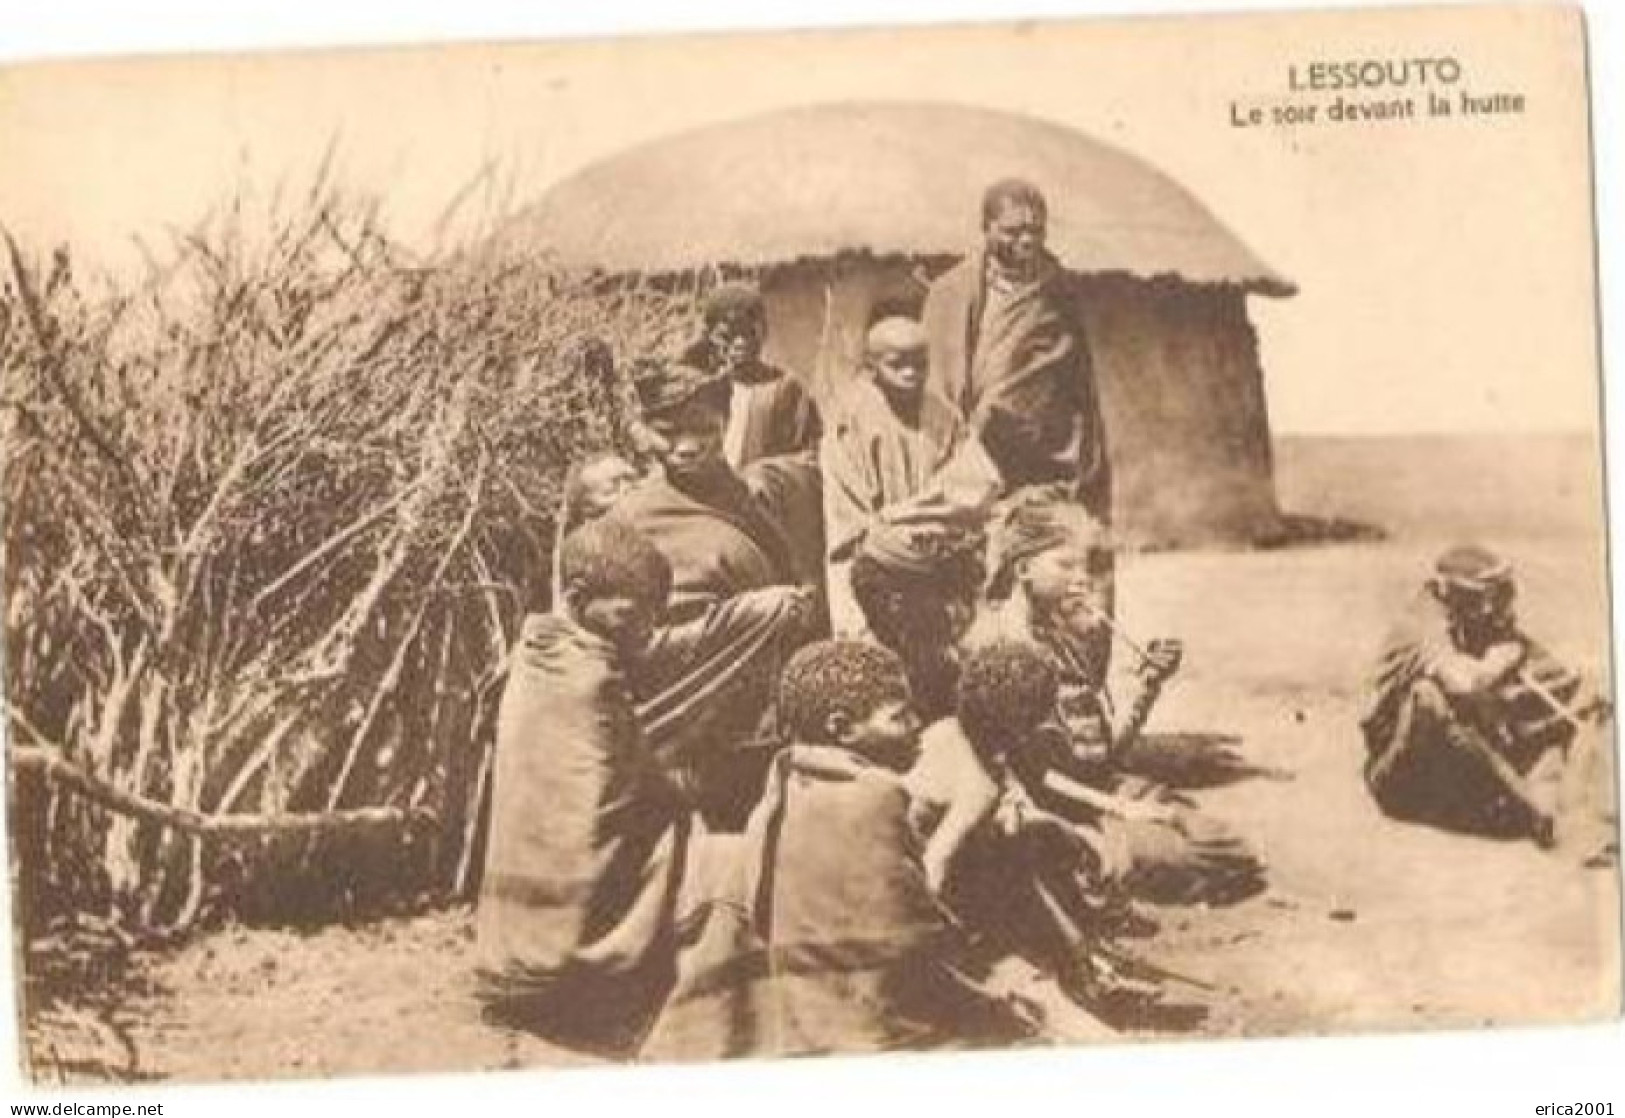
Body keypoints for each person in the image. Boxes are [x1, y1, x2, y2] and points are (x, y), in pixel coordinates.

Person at [641, 640, 1037, 1060]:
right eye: (899, 716)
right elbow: (912, 939)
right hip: (864, 1023)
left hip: (797, 1000)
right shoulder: (876, 795)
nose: (916, 724)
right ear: (842, 727)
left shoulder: (785, 780)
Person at [974, 491, 1264, 907]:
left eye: (1085, 565)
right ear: (1022, 569)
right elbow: (1034, 774)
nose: (1082, 578)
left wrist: (1148, 686)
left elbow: (1104, 752)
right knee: (1192, 859)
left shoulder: (1064, 637)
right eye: (1066, 565)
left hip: (1098, 790)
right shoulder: (1004, 647)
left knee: (1224, 846)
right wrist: (1119, 807)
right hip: (1051, 808)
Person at [475, 518, 689, 1056]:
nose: (648, 627)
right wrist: (675, 792)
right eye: (635, 612)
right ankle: (594, 970)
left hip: (507, 948)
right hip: (563, 942)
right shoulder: (592, 680)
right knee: (680, 832)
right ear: (578, 597)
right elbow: (618, 786)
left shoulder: (536, 652)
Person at [907, 640, 1167, 1018]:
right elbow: (936, 862)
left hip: (925, 860)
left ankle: (1083, 963)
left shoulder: (946, 730)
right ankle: (1079, 969)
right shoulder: (979, 786)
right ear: (1023, 723)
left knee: (1026, 847)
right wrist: (931, 945)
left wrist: (1110, 808)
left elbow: (1033, 782)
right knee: (1021, 864)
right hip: (924, 883)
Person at [612, 359, 820, 827]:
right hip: (685, 730)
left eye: (702, 429)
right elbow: (631, 642)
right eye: (667, 431)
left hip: (762, 719)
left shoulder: (745, 497)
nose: (686, 446)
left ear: (726, 423)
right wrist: (747, 615)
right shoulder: (632, 520)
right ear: (643, 432)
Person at [1361, 544, 1610, 848]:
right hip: (1400, 778)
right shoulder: (1423, 624)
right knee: (1430, 697)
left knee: (1577, 698)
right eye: (1484, 596)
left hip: (1455, 770)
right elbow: (1464, 682)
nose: (1495, 607)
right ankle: (1538, 813)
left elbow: (1562, 684)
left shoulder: (1477, 621)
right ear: (1449, 593)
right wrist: (1502, 659)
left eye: (1501, 593)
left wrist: (1578, 697)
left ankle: (1577, 809)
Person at [921, 179, 1109, 520]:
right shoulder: (951, 290)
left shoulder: (1057, 291)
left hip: (1042, 451)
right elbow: (936, 375)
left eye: (1036, 231)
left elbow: (1073, 375)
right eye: (1012, 231)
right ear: (986, 228)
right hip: (972, 446)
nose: (1026, 240)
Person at [848, 521, 986, 723]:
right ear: (893, 603)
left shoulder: (951, 659)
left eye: (965, 595)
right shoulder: (865, 685)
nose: (960, 612)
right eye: (942, 595)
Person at [681, 282, 821, 471]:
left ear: (763, 333)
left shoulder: (784, 390)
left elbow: (807, 461)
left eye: (749, 332)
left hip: (759, 496)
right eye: (729, 334)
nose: (740, 343)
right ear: (710, 336)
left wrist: (764, 480)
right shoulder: (692, 389)